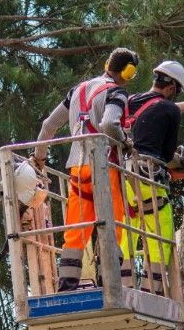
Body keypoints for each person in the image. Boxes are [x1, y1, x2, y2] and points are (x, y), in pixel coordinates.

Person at [30, 47, 139, 292]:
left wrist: (39, 158)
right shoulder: (116, 92)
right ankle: (110, 282)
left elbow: (48, 126)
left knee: (77, 228)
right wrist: (125, 143)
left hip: (77, 168)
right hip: (104, 165)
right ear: (128, 72)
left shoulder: (77, 91)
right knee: (113, 223)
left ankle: (67, 285)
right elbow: (109, 124)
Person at [119, 60, 184, 294]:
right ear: (172, 88)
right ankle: (153, 288)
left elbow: (155, 107)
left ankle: (124, 283)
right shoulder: (169, 110)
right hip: (149, 178)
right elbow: (168, 155)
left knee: (129, 228)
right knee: (160, 231)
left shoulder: (131, 102)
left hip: (124, 176)